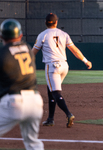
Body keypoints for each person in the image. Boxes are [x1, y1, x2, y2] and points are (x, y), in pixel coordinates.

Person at [32, 13, 92, 128]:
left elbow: (33, 52)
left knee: (55, 93)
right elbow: (74, 50)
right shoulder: (64, 34)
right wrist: (85, 60)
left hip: (52, 67)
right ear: (56, 22)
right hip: (64, 66)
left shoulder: (42, 35)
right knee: (51, 91)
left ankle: (68, 114)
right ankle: (50, 119)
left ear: (45, 23)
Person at [0, 19, 44, 149]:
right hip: (36, 102)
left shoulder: (2, 54)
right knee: (32, 142)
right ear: (20, 35)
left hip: (15, 103)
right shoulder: (27, 48)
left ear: (1, 36)